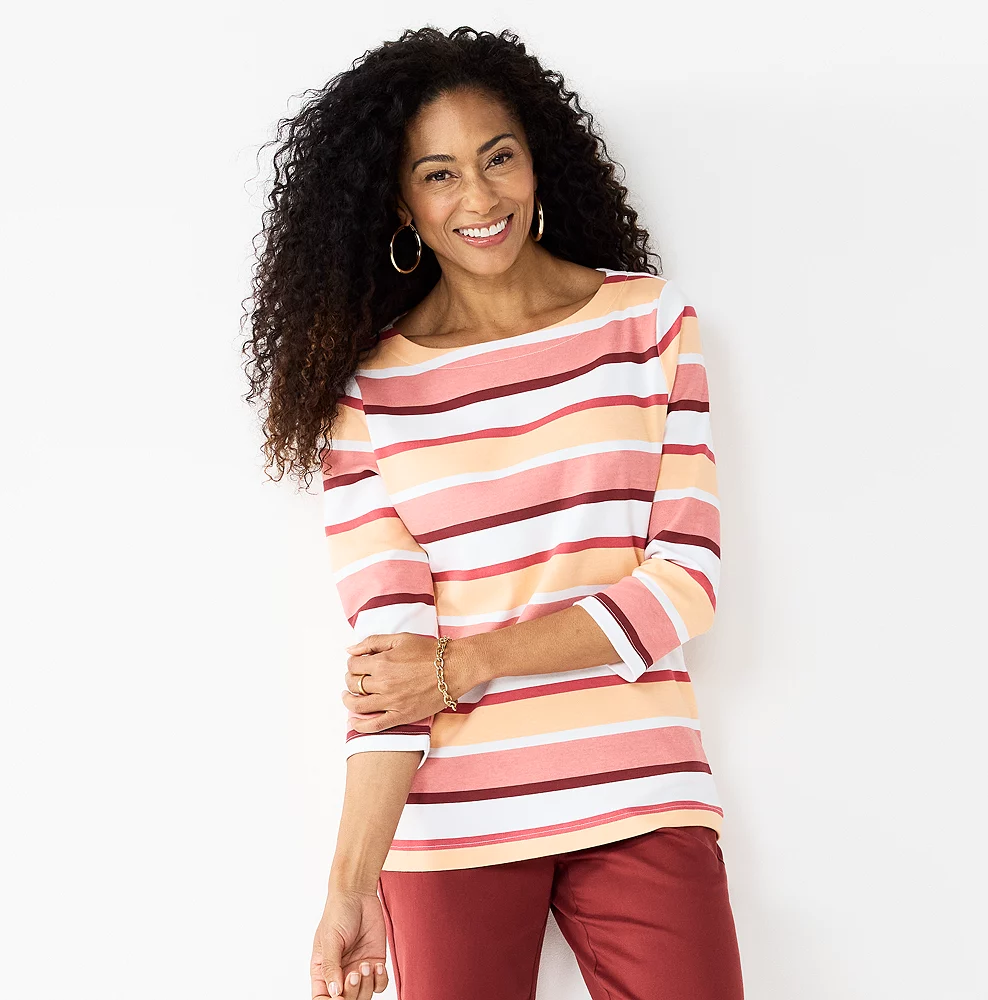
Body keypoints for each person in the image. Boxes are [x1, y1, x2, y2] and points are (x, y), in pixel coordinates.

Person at [243, 25, 743, 1000]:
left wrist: (465, 665)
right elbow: (392, 661)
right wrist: (349, 886)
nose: (478, 198)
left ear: (535, 160)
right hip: (448, 822)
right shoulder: (370, 394)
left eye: (497, 157)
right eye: (438, 175)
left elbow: (685, 582)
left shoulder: (647, 325)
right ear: (401, 203)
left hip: (640, 790)